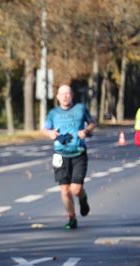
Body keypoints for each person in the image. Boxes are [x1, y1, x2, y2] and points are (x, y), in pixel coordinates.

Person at [42, 84, 96, 230]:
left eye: (68, 93)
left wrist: (86, 131)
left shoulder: (80, 108)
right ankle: (72, 218)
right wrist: (50, 133)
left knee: (76, 189)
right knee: (64, 190)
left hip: (78, 152)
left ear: (72, 95)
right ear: (58, 97)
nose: (65, 96)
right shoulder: (53, 113)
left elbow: (92, 123)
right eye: (62, 94)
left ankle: (83, 199)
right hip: (59, 155)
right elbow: (45, 129)